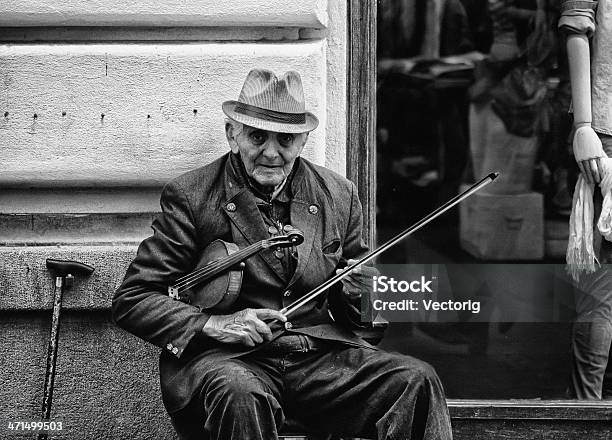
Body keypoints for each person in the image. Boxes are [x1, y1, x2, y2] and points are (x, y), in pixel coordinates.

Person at [112, 69, 453, 439]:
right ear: (233, 134)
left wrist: (364, 294)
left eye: (286, 139)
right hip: (228, 361)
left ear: (304, 140)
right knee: (240, 392)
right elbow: (133, 299)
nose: (272, 153)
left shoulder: (338, 194)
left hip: (318, 357)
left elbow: (367, 327)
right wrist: (216, 325)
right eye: (257, 137)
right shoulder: (192, 196)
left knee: (416, 380)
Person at [560, 0, 612, 399]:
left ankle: (586, 407)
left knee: (600, 295)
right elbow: (577, 27)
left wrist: (583, 125)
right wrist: (584, 125)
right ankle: (586, 411)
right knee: (601, 290)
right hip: (604, 135)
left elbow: (578, 27)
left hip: (603, 131)